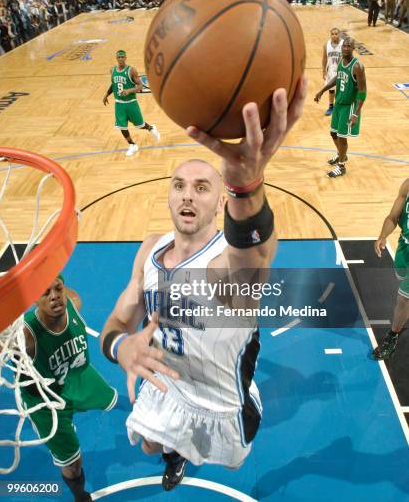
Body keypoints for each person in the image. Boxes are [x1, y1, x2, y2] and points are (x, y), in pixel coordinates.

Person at [101, 79, 306, 491]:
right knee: (150, 446)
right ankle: (174, 457)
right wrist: (120, 348)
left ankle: (242, 403)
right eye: (179, 186)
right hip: (171, 385)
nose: (187, 196)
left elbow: (256, 254)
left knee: (232, 465)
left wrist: (246, 185)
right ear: (169, 198)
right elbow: (118, 322)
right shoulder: (149, 250)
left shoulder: (221, 264)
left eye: (201, 187)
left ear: (218, 203)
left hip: (221, 404)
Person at [22, 275, 118, 502]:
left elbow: (60, 289)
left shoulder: (73, 301)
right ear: (34, 299)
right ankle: (79, 496)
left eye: (58, 289)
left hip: (76, 378)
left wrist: (45, 268)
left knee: (122, 402)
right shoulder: (26, 336)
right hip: (46, 402)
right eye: (45, 293)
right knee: (73, 465)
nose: (54, 296)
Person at [314, 37, 366, 178]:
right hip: (338, 104)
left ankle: (341, 166)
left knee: (342, 137)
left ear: (353, 48)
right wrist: (322, 90)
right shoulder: (342, 62)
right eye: (344, 46)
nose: (346, 48)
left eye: (349, 46)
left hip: (349, 106)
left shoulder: (357, 66)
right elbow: (337, 78)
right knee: (333, 133)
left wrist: (355, 114)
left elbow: (363, 92)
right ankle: (341, 155)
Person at [372, 179, 409, 359]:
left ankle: (392, 336)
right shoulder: (408, 185)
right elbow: (393, 217)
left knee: (403, 299)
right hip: (405, 247)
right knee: (401, 279)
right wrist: (383, 236)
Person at [103, 50, 160, 156]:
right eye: (118, 57)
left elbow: (140, 86)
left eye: (122, 57)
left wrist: (129, 91)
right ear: (116, 58)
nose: (120, 59)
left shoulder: (131, 70)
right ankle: (132, 145)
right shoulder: (113, 70)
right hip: (119, 103)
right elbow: (114, 84)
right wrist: (106, 94)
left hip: (131, 102)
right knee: (122, 126)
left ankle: (151, 128)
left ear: (125, 58)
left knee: (140, 125)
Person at [321, 28, 344, 116]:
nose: (334, 35)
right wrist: (323, 70)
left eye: (336, 34)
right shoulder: (326, 44)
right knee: (331, 89)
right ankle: (331, 106)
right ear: (330, 35)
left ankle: (339, 106)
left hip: (341, 69)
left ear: (339, 34)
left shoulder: (343, 44)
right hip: (330, 69)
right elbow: (324, 58)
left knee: (341, 89)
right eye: (332, 34)